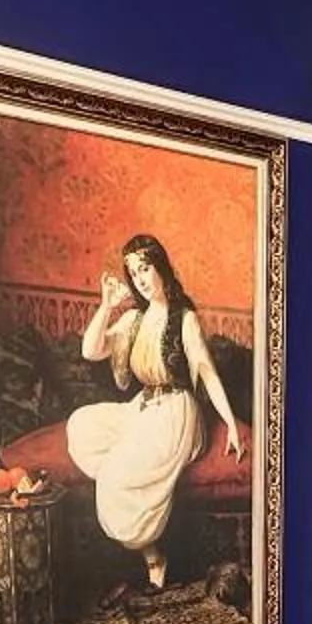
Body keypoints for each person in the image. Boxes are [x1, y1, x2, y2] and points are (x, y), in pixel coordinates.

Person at [64, 232, 244, 595]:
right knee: (81, 424)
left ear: (161, 266)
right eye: (134, 272)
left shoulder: (185, 319)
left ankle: (152, 559)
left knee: (115, 475)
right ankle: (153, 555)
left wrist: (230, 425)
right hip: (144, 408)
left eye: (145, 268)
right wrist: (107, 305)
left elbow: (207, 372)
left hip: (177, 413)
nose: (141, 279)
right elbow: (90, 350)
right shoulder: (134, 319)